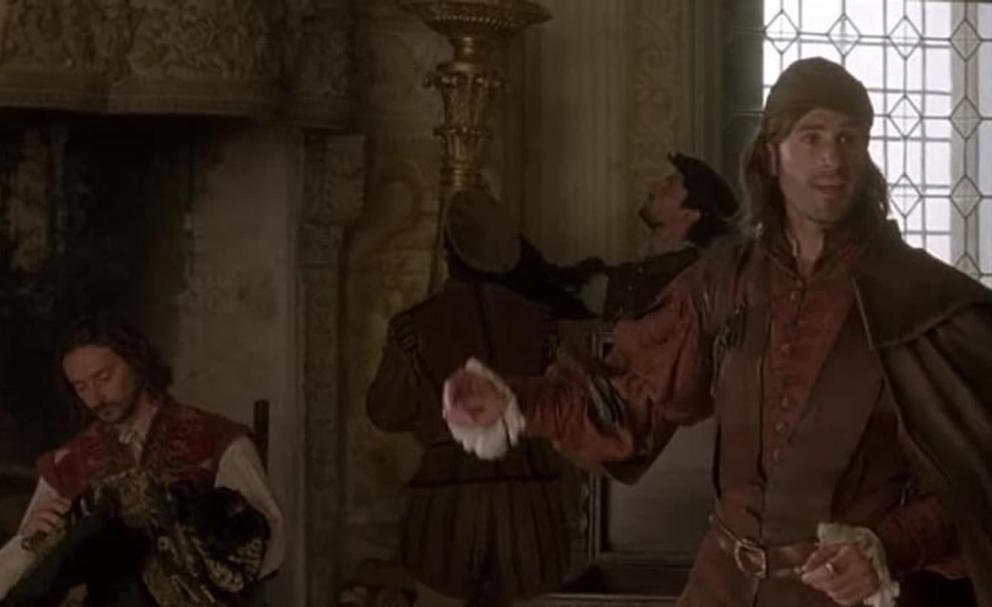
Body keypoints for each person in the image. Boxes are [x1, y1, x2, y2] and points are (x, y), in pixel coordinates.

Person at [441, 57, 992, 607]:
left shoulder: (926, 300)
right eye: (811, 137)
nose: (832, 158)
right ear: (771, 155)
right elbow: (632, 397)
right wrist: (519, 402)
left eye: (849, 138)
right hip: (721, 585)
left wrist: (885, 547)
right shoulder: (724, 279)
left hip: (847, 596)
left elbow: (979, 480)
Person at [0, 315, 286, 607]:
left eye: (104, 377)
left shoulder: (217, 438)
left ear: (137, 362)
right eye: (81, 387)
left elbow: (269, 551)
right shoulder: (68, 462)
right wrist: (29, 539)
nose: (95, 398)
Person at [366, 190, 579, 606]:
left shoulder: (413, 326)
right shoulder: (544, 323)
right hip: (532, 511)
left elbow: (385, 413)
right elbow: (569, 406)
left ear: (448, 252)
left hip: (444, 510)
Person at [595, 152, 739, 319]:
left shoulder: (683, 280)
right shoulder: (647, 270)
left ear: (689, 214)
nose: (654, 187)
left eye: (669, 185)